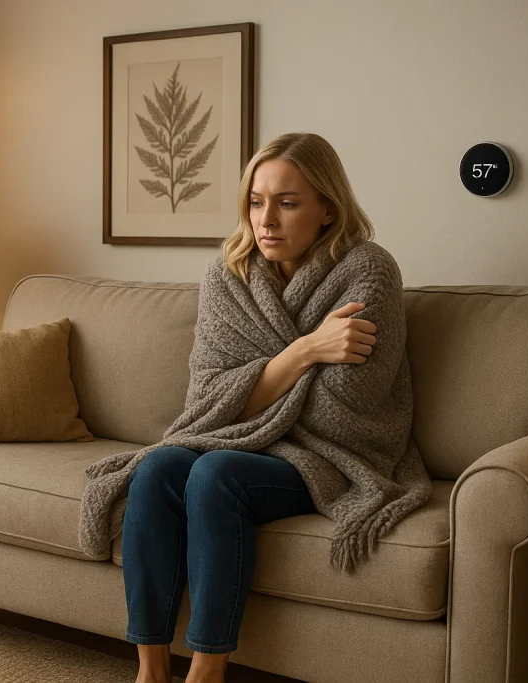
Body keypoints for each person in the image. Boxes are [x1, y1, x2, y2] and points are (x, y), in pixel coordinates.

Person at [124, 132, 382, 683]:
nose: (266, 220)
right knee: (157, 468)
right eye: (256, 201)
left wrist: (258, 390)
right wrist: (307, 349)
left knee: (214, 473)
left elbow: (342, 406)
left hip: (327, 455)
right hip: (239, 438)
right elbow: (208, 397)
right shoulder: (229, 273)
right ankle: (149, 670)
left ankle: (207, 672)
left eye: (287, 203)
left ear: (327, 209)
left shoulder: (367, 270)